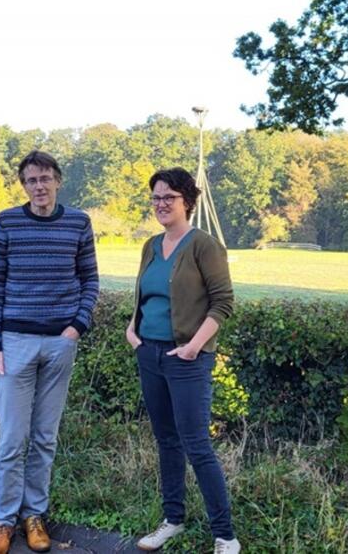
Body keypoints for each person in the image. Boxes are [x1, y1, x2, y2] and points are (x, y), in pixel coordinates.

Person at [0, 151, 99, 554]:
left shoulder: (79, 222)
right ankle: (3, 521)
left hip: (59, 343)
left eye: (45, 178)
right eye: (31, 180)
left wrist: (75, 328)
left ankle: (35, 516)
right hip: (14, 342)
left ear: (58, 180)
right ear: (23, 184)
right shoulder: (7, 222)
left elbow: (90, 280)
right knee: (13, 438)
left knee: (45, 438)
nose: (39, 186)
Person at [125, 167, 240, 553]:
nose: (161, 204)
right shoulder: (150, 245)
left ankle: (225, 535)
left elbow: (223, 302)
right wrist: (132, 328)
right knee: (166, 441)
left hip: (188, 359)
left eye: (169, 197)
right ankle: (172, 520)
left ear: (187, 201)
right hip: (150, 354)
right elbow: (145, 295)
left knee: (196, 444)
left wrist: (194, 346)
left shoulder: (203, 245)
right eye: (156, 197)